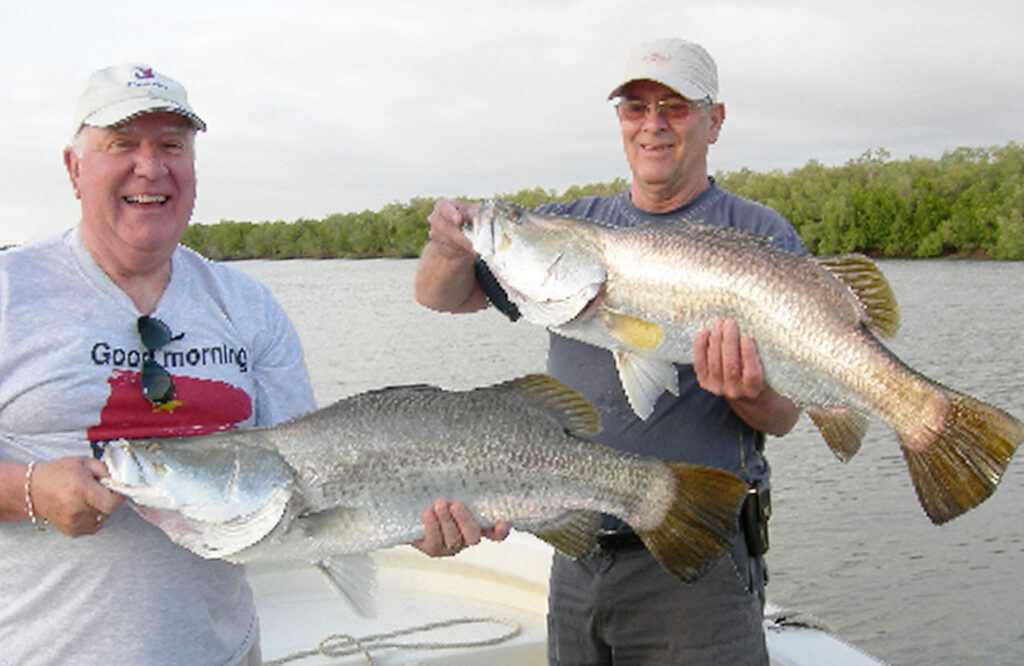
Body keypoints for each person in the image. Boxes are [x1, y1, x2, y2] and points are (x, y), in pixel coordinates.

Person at [0, 62, 503, 666]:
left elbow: (309, 480)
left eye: (172, 146)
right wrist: (26, 489)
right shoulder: (10, 291)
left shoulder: (248, 306)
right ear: (74, 167)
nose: (150, 166)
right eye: (121, 144)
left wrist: (407, 513)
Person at [414, 38, 805, 665]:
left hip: (695, 561)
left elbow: (785, 417)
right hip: (577, 549)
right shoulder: (571, 228)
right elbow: (440, 296)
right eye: (634, 107)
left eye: (674, 107)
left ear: (716, 120)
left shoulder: (759, 236)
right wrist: (451, 246)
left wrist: (750, 392)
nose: (652, 125)